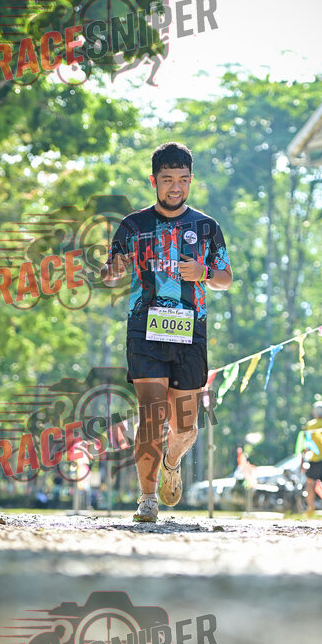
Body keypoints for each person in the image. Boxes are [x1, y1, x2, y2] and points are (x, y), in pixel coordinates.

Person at [102, 142, 232, 522]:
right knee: (150, 413)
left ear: (191, 180)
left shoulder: (207, 227)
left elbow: (225, 278)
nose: (176, 187)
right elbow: (109, 273)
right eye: (168, 179)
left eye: (183, 180)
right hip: (144, 327)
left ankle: (171, 460)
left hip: (191, 331)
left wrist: (204, 273)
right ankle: (147, 498)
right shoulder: (133, 226)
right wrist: (113, 269)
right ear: (153, 181)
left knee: (184, 427)